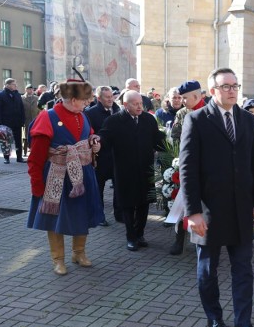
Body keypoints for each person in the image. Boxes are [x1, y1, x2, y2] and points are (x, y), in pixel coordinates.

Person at [179, 67, 254, 327]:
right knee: (208, 270)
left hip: (241, 210)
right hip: (208, 211)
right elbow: (187, 168)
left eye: (235, 85)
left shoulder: (247, 120)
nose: (231, 90)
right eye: (225, 86)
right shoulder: (196, 120)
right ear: (213, 91)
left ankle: (244, 323)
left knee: (243, 269)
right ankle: (214, 318)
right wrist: (192, 212)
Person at [26, 79, 104, 275]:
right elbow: (36, 156)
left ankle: (79, 253)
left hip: (82, 174)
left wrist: (94, 141)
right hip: (57, 175)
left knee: (82, 214)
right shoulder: (47, 117)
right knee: (55, 218)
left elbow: (89, 135)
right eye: (85, 100)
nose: (88, 103)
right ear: (74, 99)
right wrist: (36, 184)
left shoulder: (83, 115)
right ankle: (58, 260)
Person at [97, 91, 165, 250]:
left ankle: (140, 234)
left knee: (144, 203)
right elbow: (104, 138)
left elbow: (157, 139)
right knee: (127, 204)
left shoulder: (148, 119)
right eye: (135, 104)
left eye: (141, 103)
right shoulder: (113, 121)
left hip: (146, 169)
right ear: (125, 105)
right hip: (124, 170)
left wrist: (172, 145)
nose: (140, 106)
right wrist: (97, 142)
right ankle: (131, 237)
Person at [169, 79, 205, 255]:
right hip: (186, 165)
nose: (182, 101)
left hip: (205, 169)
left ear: (196, 95)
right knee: (182, 203)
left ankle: (208, 241)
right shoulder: (182, 114)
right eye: (180, 98)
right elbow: (176, 137)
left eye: (184, 98)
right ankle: (179, 241)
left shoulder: (210, 112)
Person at [85, 86, 122, 226]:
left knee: (118, 186)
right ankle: (99, 215)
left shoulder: (117, 110)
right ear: (99, 98)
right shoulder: (90, 113)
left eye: (112, 96)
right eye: (107, 97)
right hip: (99, 157)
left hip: (116, 155)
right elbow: (89, 134)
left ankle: (119, 214)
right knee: (98, 188)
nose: (111, 99)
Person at [0, 78, 25, 163]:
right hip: (6, 122)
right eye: (14, 84)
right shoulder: (1, 95)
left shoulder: (17, 95)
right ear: (8, 85)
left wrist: (22, 119)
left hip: (17, 122)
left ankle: (19, 157)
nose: (16, 86)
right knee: (5, 141)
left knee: (18, 140)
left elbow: (21, 108)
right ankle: (6, 158)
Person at [22, 84, 40, 156]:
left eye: (32, 89)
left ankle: (33, 150)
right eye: (29, 89)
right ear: (26, 90)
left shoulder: (37, 98)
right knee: (25, 137)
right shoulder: (22, 98)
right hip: (25, 120)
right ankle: (25, 151)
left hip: (35, 120)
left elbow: (40, 108)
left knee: (34, 136)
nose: (30, 90)